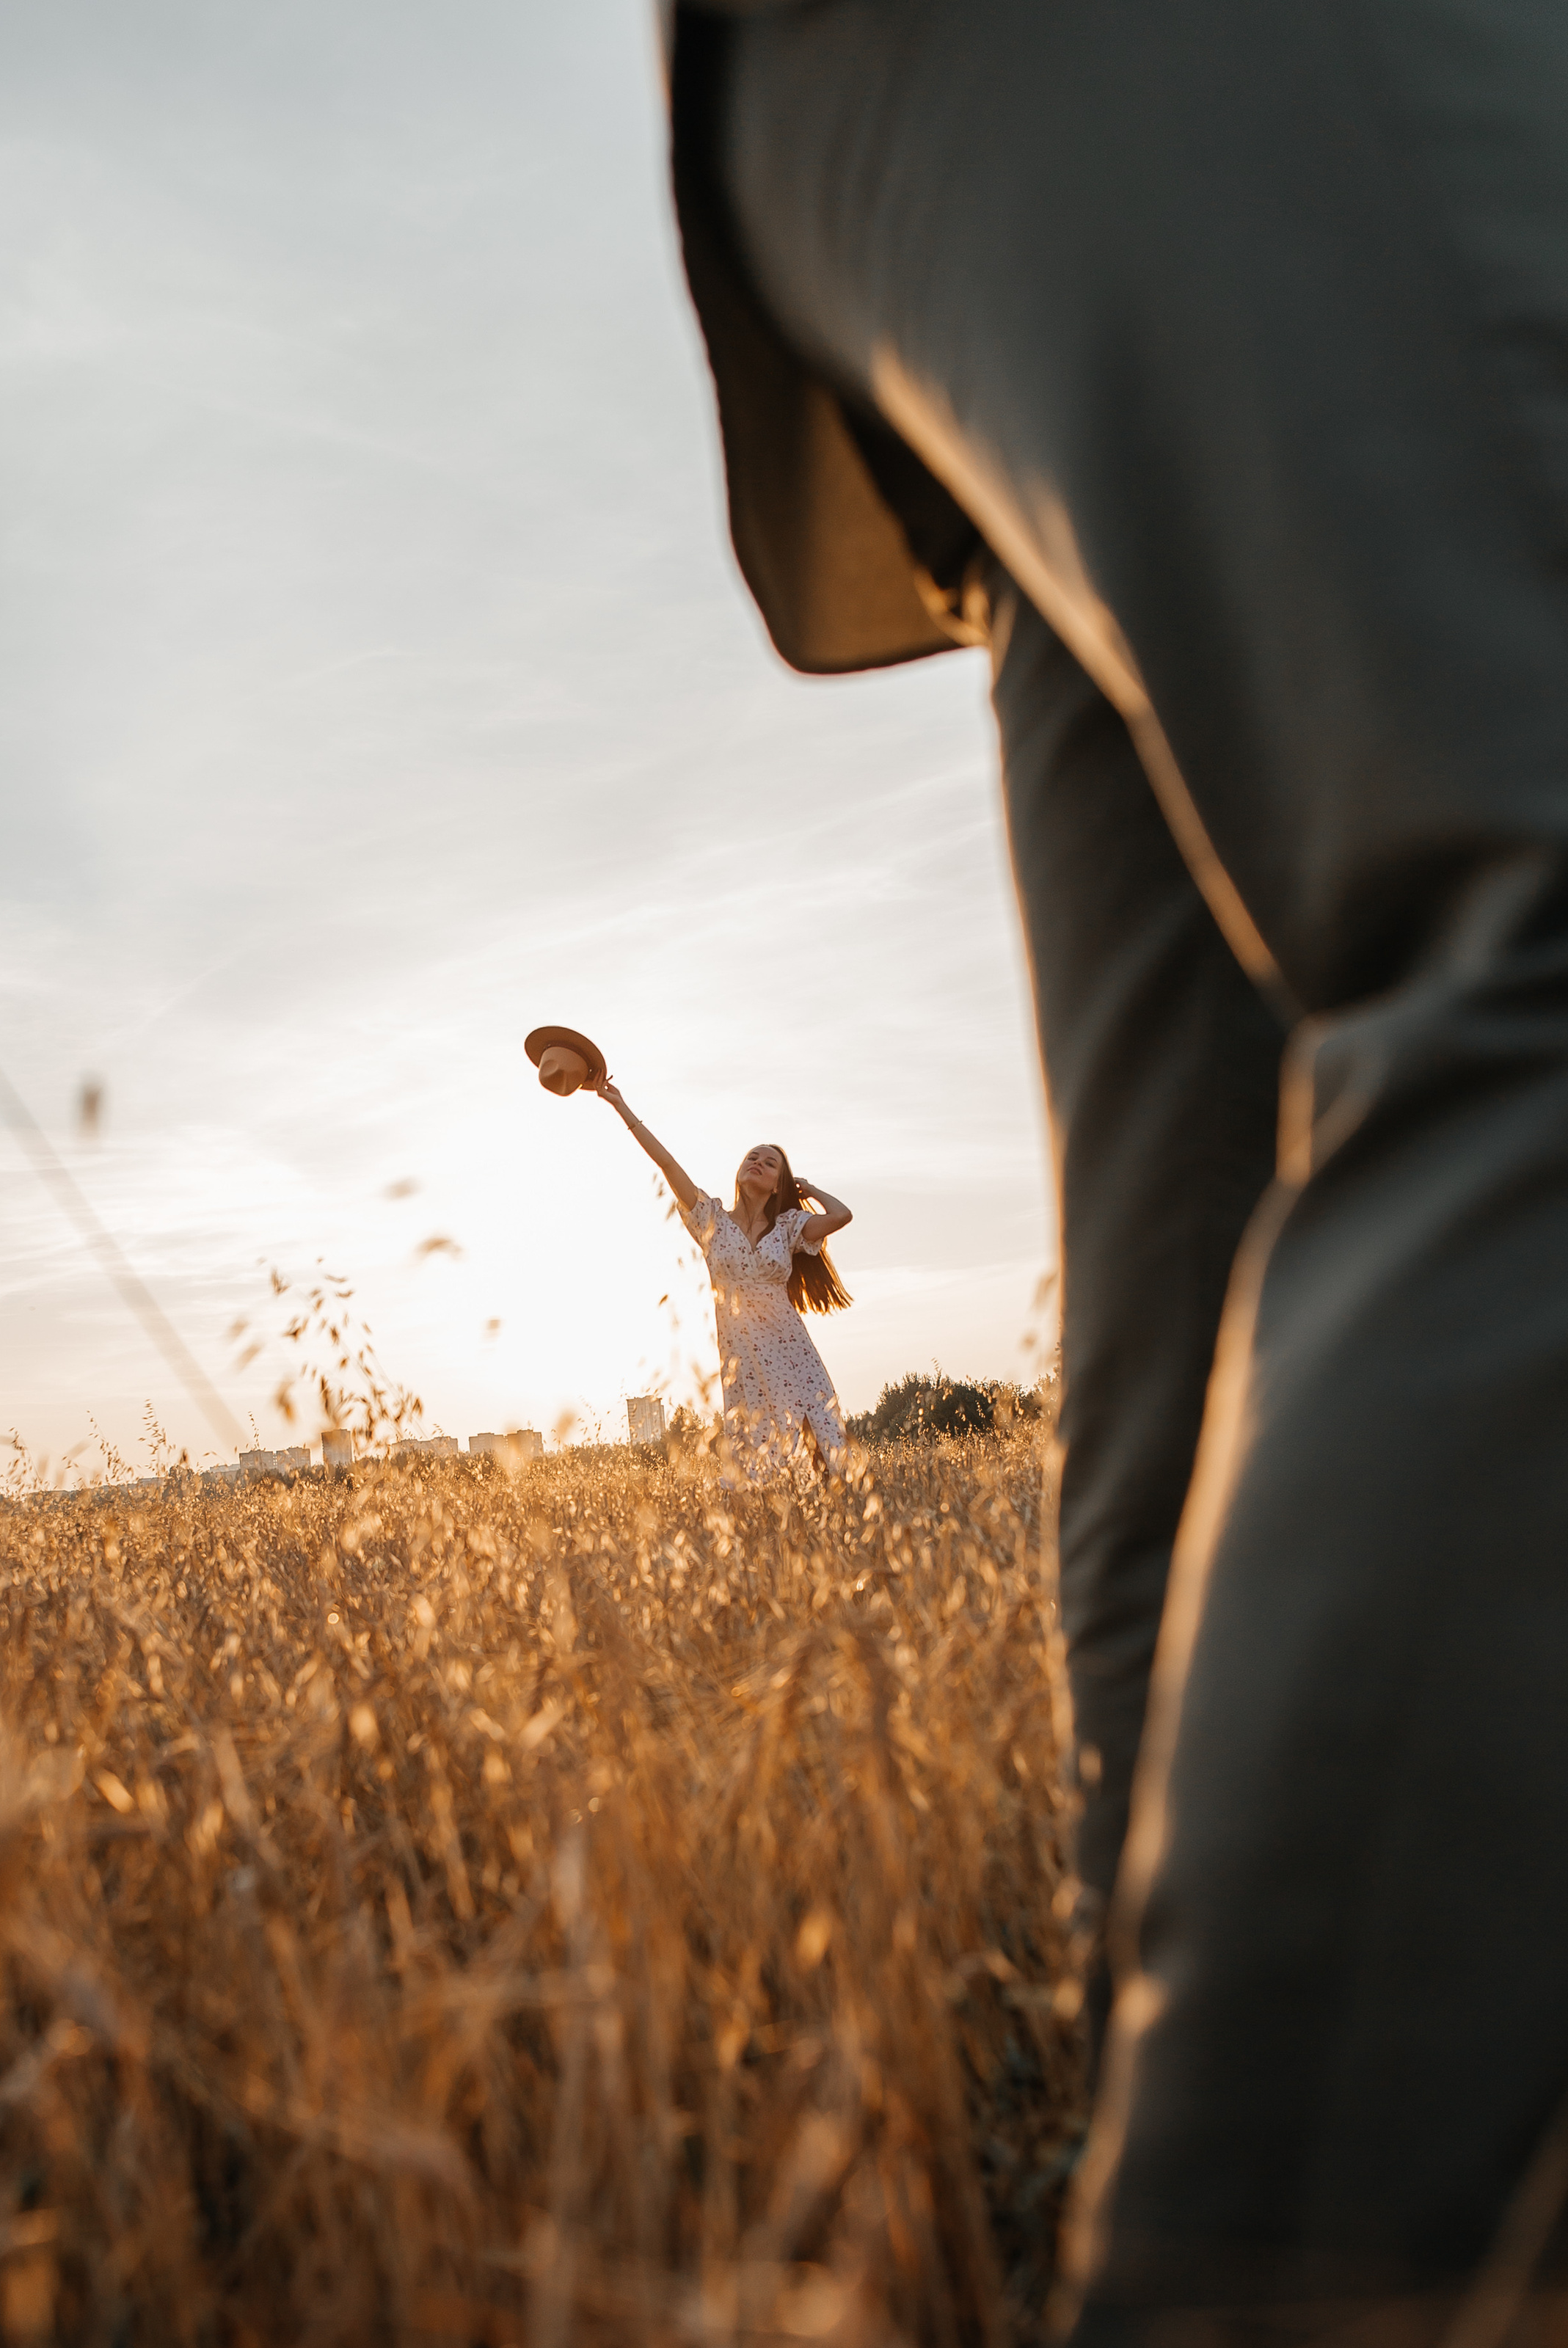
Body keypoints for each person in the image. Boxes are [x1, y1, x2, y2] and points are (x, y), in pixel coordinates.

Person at [657, 0, 1568, 2331]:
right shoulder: (737, 1224)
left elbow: (804, 1227)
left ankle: (1183, 2174)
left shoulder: (789, 1231)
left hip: (963, 145)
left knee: (1250, 1240)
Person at [597, 1077, 853, 1479]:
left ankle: (833, 1510)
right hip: (743, 1352)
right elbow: (667, 1164)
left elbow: (840, 1216)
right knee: (760, 1446)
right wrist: (622, 1108)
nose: (758, 1163)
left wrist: (811, 1188)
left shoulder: (789, 1225)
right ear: (738, 1170)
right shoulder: (710, 1219)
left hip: (792, 1348)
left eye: (770, 1164)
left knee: (816, 1436)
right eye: (753, 1156)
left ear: (777, 1185)